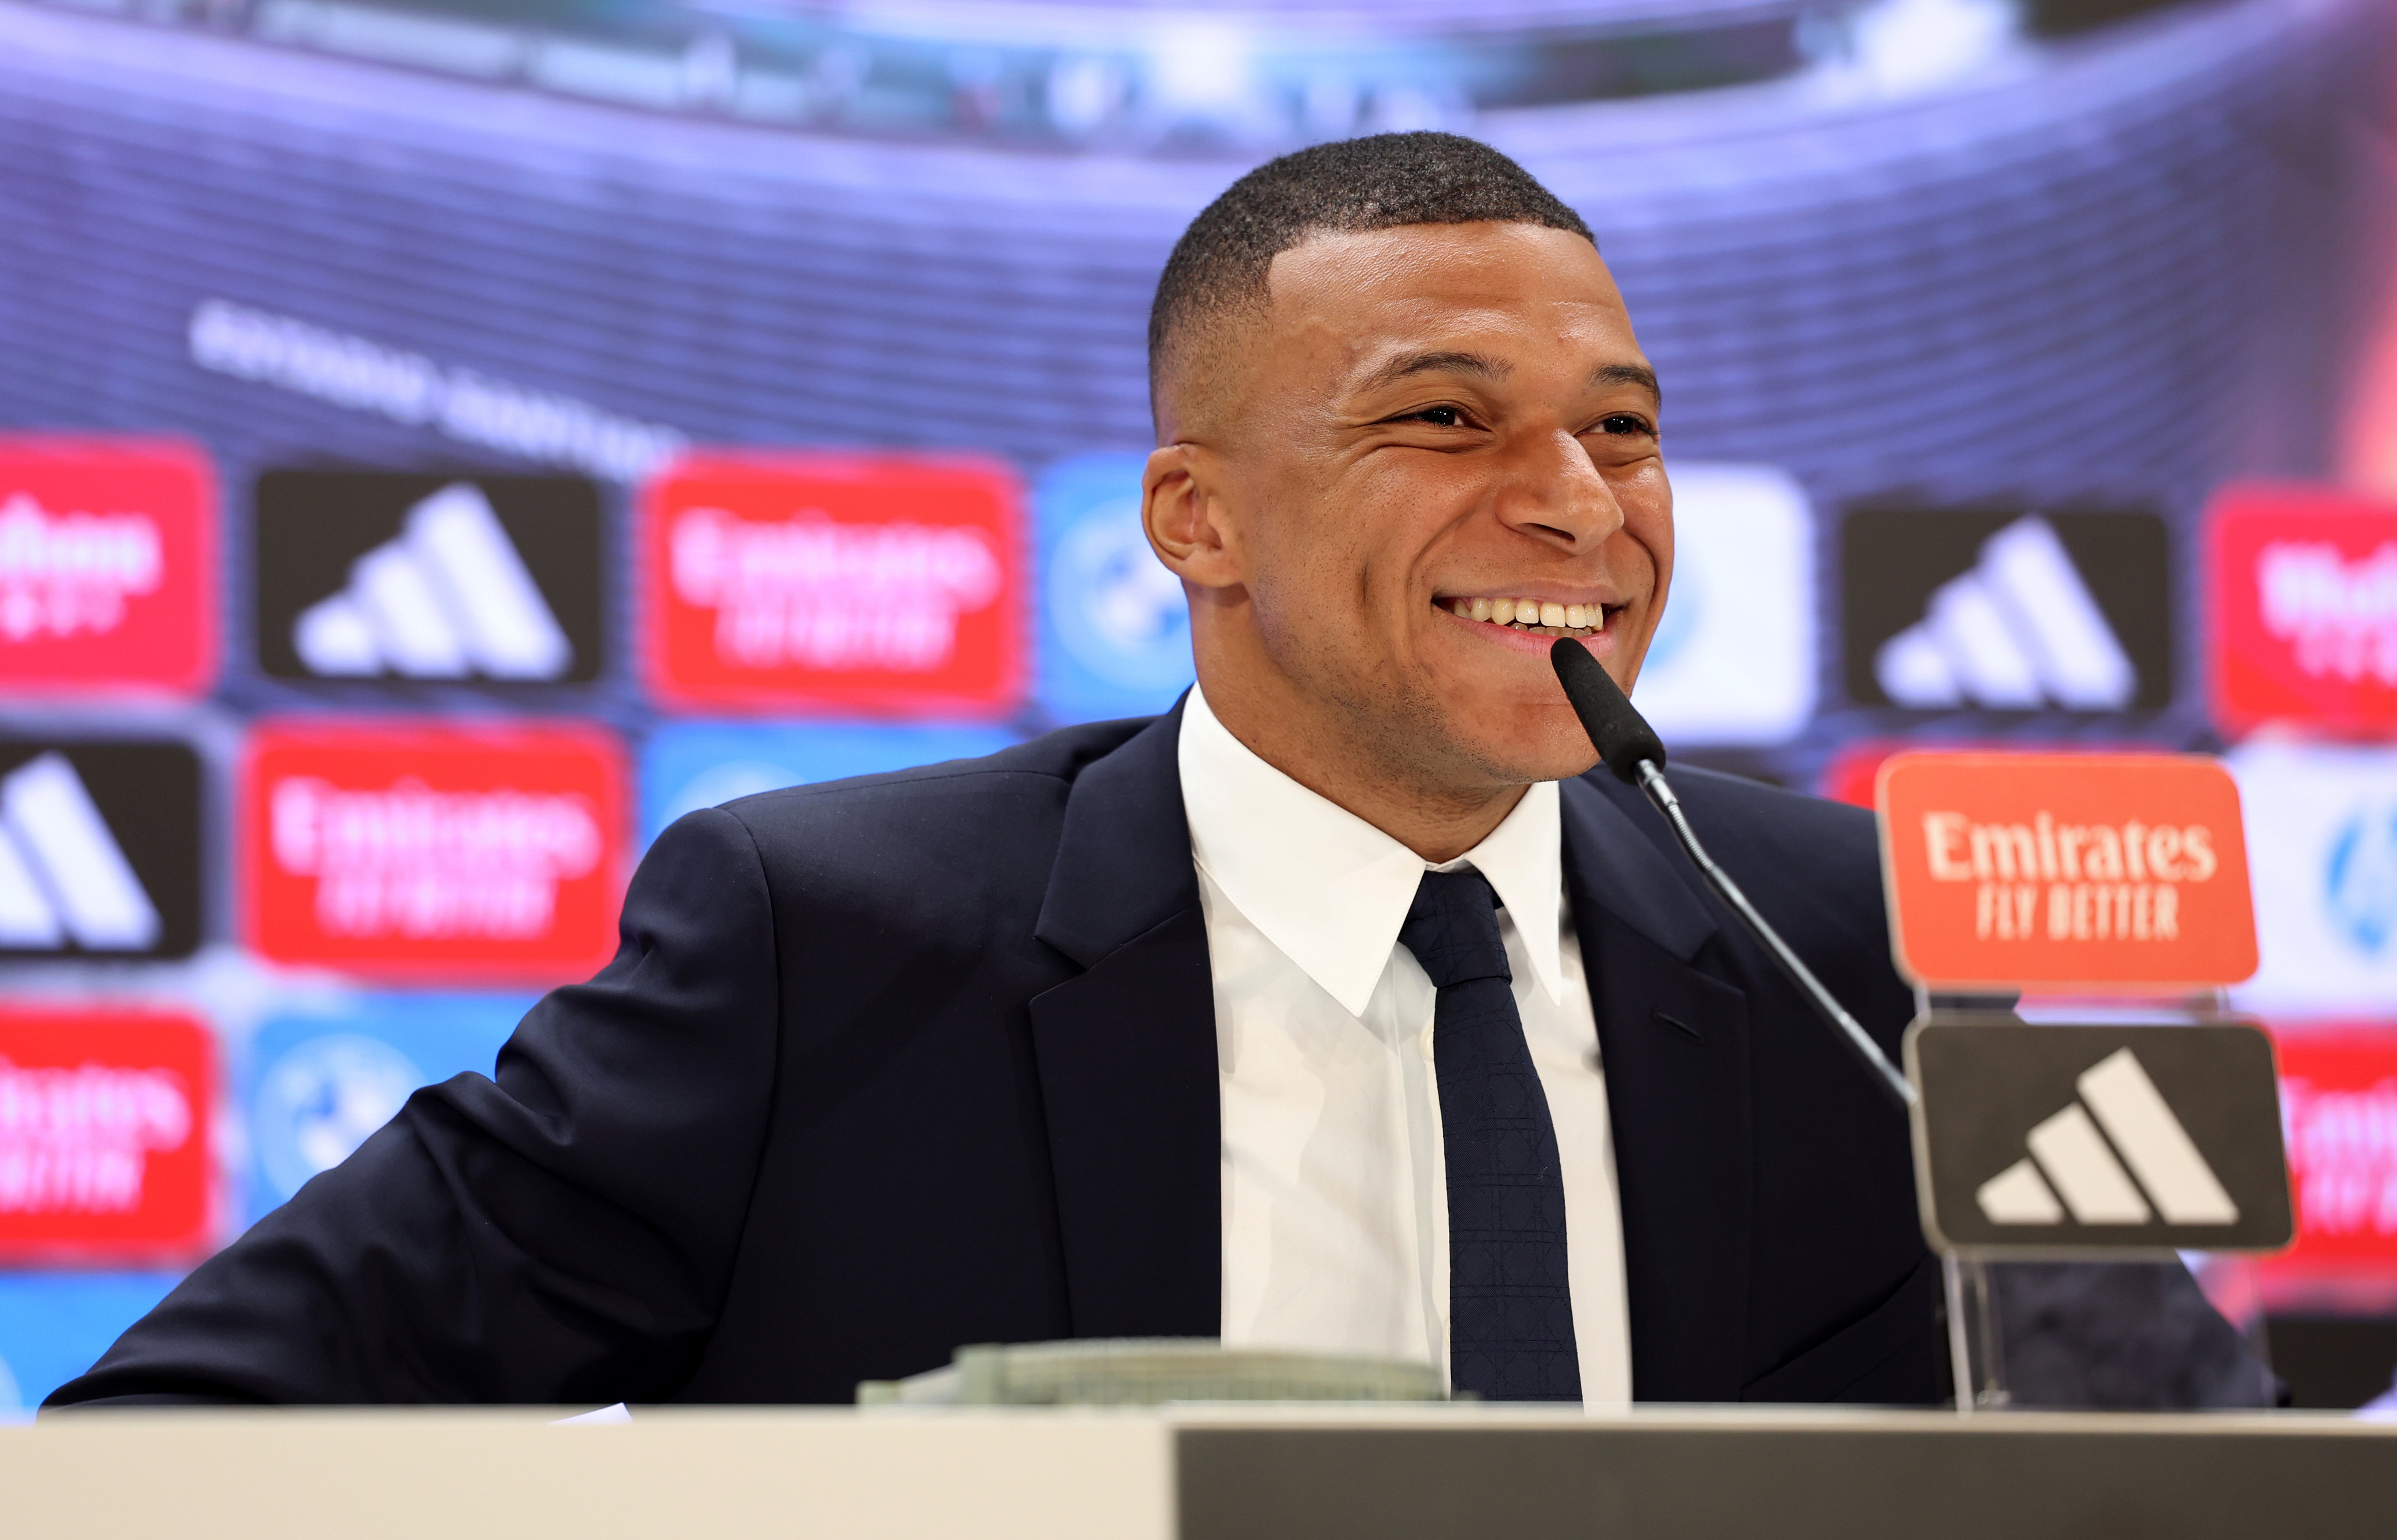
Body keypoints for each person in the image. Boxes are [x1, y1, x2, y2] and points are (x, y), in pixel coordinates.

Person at [55, 131, 1945, 1408]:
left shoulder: (1832, 940)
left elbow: (2117, 1450)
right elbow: (182, 1431)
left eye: (1620, 429)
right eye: (1445, 419)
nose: (1572, 505)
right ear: (1193, 518)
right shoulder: (820, 945)